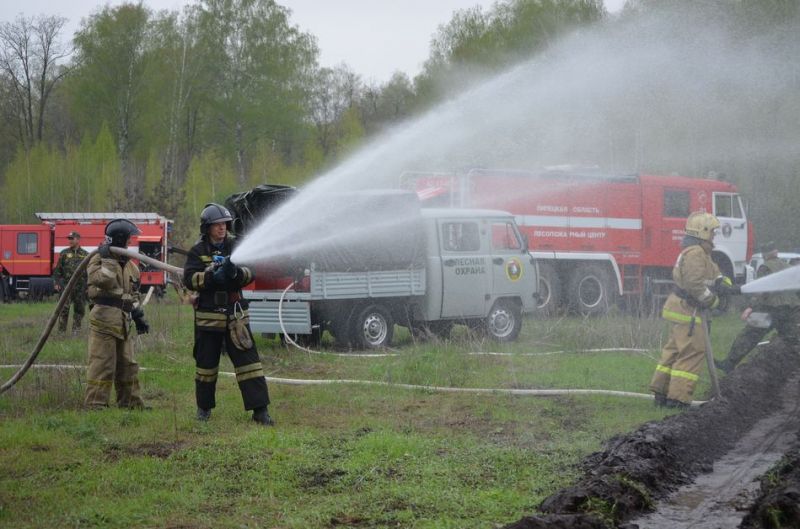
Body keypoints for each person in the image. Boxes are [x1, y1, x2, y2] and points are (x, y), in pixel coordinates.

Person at [183, 203, 273, 426]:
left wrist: (235, 274)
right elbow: (189, 279)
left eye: (224, 224)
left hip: (236, 318)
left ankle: (260, 411)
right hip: (208, 319)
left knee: (249, 364)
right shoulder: (198, 251)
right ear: (207, 228)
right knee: (206, 366)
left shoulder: (236, 246)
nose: (222, 228)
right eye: (217, 225)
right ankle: (203, 410)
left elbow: (250, 273)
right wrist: (212, 278)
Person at [649, 212, 739, 409]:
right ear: (703, 232)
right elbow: (694, 284)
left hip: (679, 308)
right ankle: (678, 400)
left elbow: (713, 273)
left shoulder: (698, 252)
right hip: (688, 311)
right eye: (713, 232)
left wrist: (723, 282)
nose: (715, 236)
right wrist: (714, 301)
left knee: (673, 351)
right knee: (691, 352)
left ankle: (661, 393)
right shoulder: (696, 253)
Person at [84, 219, 150, 409]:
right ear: (120, 240)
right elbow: (104, 280)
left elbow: (133, 294)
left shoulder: (131, 267)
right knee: (102, 364)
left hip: (123, 322)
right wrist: (109, 260)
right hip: (103, 321)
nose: (131, 243)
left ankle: (131, 404)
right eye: (129, 239)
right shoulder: (96, 260)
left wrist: (138, 315)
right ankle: (96, 405)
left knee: (128, 366)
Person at [716, 243, 800, 373]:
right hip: (791, 310)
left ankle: (729, 363)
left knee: (749, 335)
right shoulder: (788, 266)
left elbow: (761, 291)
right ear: (776, 252)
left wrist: (751, 307)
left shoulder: (765, 267)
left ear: (764, 255)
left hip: (770, 309)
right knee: (792, 340)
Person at [53, 231, 89, 333]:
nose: (70, 241)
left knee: (79, 309)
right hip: (66, 286)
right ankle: (61, 332)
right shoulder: (64, 253)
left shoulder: (85, 254)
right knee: (64, 309)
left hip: (80, 287)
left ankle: (76, 331)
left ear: (78, 239)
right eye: (69, 239)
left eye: (72, 238)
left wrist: (88, 286)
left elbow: (89, 271)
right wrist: (56, 283)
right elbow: (58, 270)